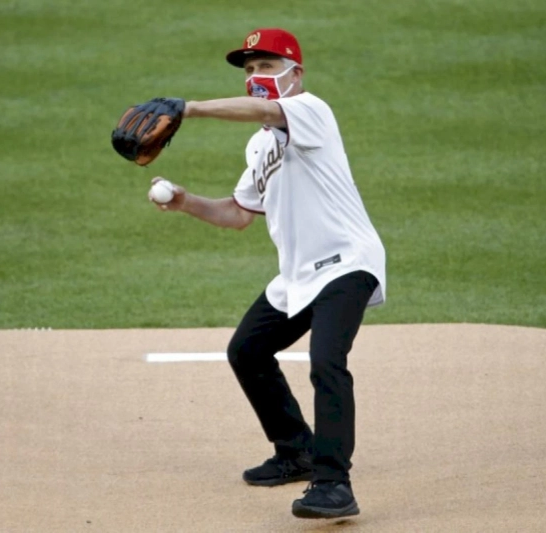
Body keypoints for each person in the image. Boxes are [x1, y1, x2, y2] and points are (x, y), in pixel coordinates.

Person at [149, 28, 386, 519]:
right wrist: (183, 201)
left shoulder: (310, 110)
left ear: (295, 73)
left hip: (346, 262)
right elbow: (237, 213)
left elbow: (264, 111)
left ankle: (333, 484)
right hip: (298, 276)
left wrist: (188, 108)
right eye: (250, 68)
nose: (256, 76)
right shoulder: (259, 147)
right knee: (247, 351)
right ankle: (295, 450)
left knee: (326, 361)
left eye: (266, 65)